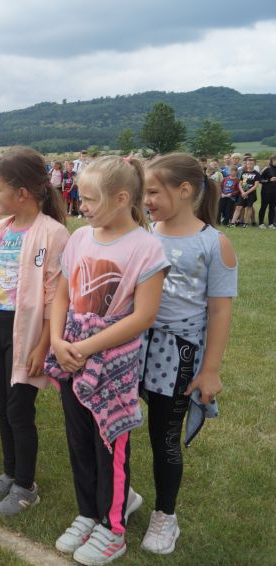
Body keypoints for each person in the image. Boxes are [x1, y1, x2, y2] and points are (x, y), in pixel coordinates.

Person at [45, 156, 169, 565]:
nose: (81, 206)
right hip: (71, 355)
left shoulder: (146, 248)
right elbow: (63, 294)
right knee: (79, 439)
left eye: (90, 199)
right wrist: (58, 341)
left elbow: (142, 316)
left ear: (121, 198)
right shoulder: (80, 237)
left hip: (112, 366)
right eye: (80, 197)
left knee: (110, 443)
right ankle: (88, 512)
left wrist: (87, 347)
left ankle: (113, 527)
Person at [141, 154, 237, 555]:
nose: (146, 199)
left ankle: (165, 516)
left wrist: (210, 370)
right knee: (115, 421)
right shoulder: (145, 233)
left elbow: (220, 311)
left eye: (152, 191)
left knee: (164, 435)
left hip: (177, 355)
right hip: (136, 344)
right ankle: (119, 493)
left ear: (184, 191)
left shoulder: (214, 243)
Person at [0, 147, 69, 518]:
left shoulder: (53, 234)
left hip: (27, 334)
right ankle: (10, 472)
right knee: (1, 406)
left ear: (23, 192)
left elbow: (53, 298)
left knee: (18, 410)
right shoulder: (0, 229)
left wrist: (42, 346)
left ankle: (26, 486)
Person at [229, 156, 260, 227]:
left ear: (254, 164)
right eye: (248, 164)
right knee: (238, 207)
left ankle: (246, 223)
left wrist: (247, 193)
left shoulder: (256, 174)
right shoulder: (243, 173)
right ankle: (232, 223)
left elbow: (256, 186)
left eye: (251, 164)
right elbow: (240, 183)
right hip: (242, 193)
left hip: (251, 193)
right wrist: (243, 192)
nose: (249, 165)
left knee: (249, 207)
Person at [258, 155, 276, 229]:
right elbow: (259, 179)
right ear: (272, 160)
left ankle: (271, 223)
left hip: (274, 192)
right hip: (266, 191)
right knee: (263, 207)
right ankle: (261, 223)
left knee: (272, 208)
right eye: (275, 160)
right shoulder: (266, 168)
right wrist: (269, 180)